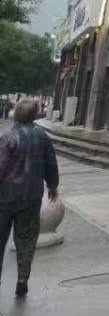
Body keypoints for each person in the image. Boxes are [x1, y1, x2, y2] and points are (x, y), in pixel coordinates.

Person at [0, 99, 60, 299]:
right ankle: (22, 279)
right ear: (34, 116)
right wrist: (52, 186)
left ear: (16, 115)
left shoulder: (7, 138)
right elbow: (51, 164)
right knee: (26, 238)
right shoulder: (43, 138)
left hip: (5, 198)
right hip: (31, 196)